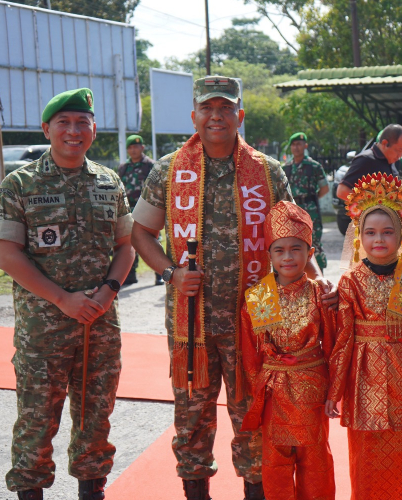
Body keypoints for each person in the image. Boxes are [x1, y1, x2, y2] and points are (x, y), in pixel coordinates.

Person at [130, 75, 336, 500]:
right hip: (193, 324)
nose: (216, 116)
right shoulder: (167, 170)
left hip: (257, 322)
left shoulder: (267, 170)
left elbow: (292, 237)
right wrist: (170, 273)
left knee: (255, 417)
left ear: (239, 114)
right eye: (208, 108)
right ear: (194, 116)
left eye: (225, 108)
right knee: (192, 421)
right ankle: (196, 492)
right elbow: (141, 234)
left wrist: (317, 281)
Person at [0, 88, 135, 500]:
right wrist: (62, 299)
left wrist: (108, 291)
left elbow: (126, 246)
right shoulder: (20, 184)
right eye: (64, 122)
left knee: (96, 419)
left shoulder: (110, 182)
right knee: (38, 421)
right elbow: (7, 256)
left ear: (94, 130)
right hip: (44, 332)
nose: (74, 130)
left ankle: (93, 491)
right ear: (47, 129)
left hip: (100, 326)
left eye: (82, 122)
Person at [326, 172, 402, 500]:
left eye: (388, 232)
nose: (379, 239)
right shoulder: (350, 281)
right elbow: (343, 338)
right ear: (359, 236)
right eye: (371, 232)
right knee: (366, 456)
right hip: (363, 380)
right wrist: (334, 390)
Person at [239, 201, 337, 500]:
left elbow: (334, 345)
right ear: (268, 255)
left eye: (296, 249)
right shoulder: (259, 296)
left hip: (312, 390)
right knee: (276, 462)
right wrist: (260, 390)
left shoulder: (321, 293)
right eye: (279, 250)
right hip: (274, 393)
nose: (288, 257)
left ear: (310, 253)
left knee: (316, 459)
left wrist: (334, 391)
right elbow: (251, 355)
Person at [282, 132, 330, 271]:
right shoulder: (286, 168)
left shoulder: (314, 166)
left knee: (313, 243)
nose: (296, 147)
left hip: (310, 211)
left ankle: (319, 279)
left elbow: (325, 188)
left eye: (299, 144)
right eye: (293, 145)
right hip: (292, 211)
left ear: (305, 146)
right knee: (294, 244)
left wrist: (311, 200)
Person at [117, 134, 160, 286]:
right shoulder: (123, 168)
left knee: (153, 240)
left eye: (136, 146)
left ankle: (159, 273)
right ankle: (131, 274)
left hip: (148, 209)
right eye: (130, 147)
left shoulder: (151, 165)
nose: (133, 150)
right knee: (130, 239)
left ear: (142, 147)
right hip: (129, 210)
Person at [335, 124, 402, 201]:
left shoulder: (390, 162)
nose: (400, 156)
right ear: (385, 143)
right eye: (398, 150)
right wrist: (373, 204)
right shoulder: (365, 160)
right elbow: (342, 191)